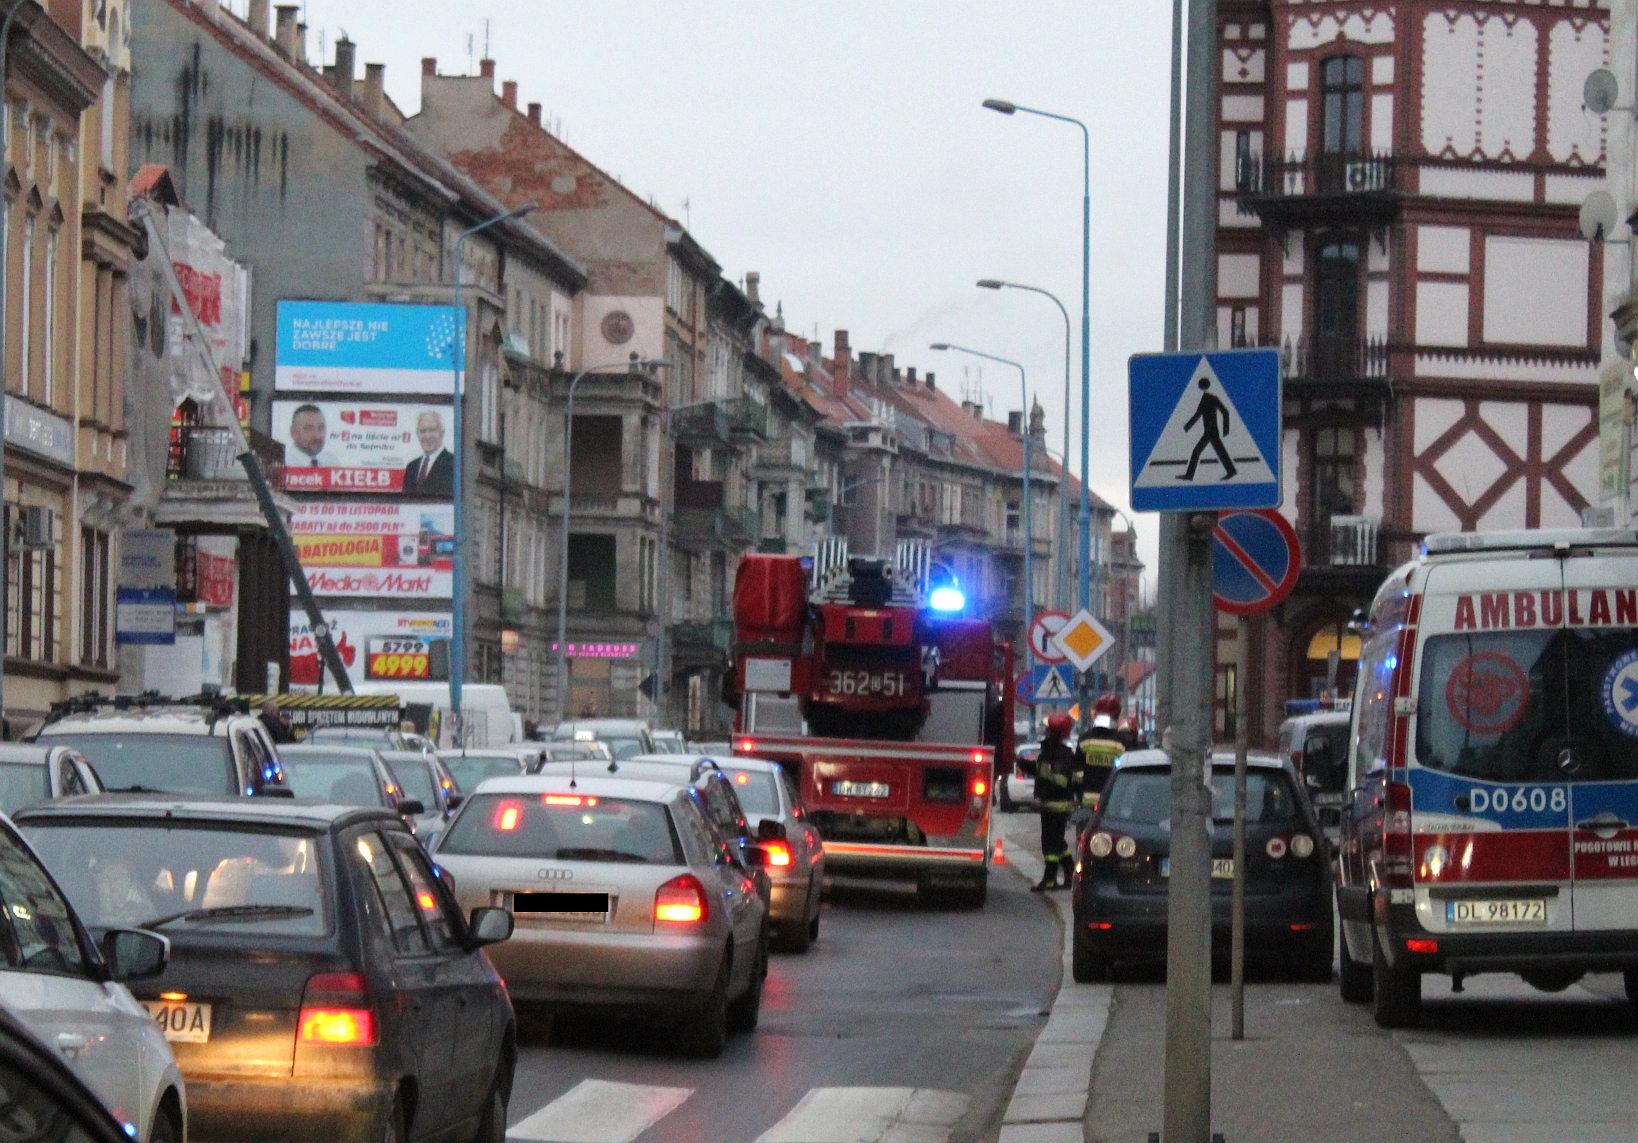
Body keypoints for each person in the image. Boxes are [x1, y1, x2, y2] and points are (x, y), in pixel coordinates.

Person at [1031, 713, 1078, 892]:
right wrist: (1020, 762)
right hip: (1050, 804)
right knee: (1056, 842)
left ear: (1054, 731)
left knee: (1051, 843)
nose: (1045, 730)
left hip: (1057, 805)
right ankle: (1069, 872)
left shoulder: (1060, 755)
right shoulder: (1050, 752)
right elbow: (1040, 773)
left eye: (1048, 728)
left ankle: (1050, 879)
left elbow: (1060, 781)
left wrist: (1041, 795)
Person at [1075, 695, 1127, 814]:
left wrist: (1079, 796)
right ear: (1116, 716)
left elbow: (1077, 774)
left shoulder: (1085, 740)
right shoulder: (1122, 743)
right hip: (1113, 803)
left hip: (1087, 802)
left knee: (1085, 831)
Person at [402, 411, 454, 496]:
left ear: (442, 433)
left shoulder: (453, 463)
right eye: (423, 431)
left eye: (432, 430)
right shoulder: (411, 467)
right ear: (417, 434)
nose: (427, 436)